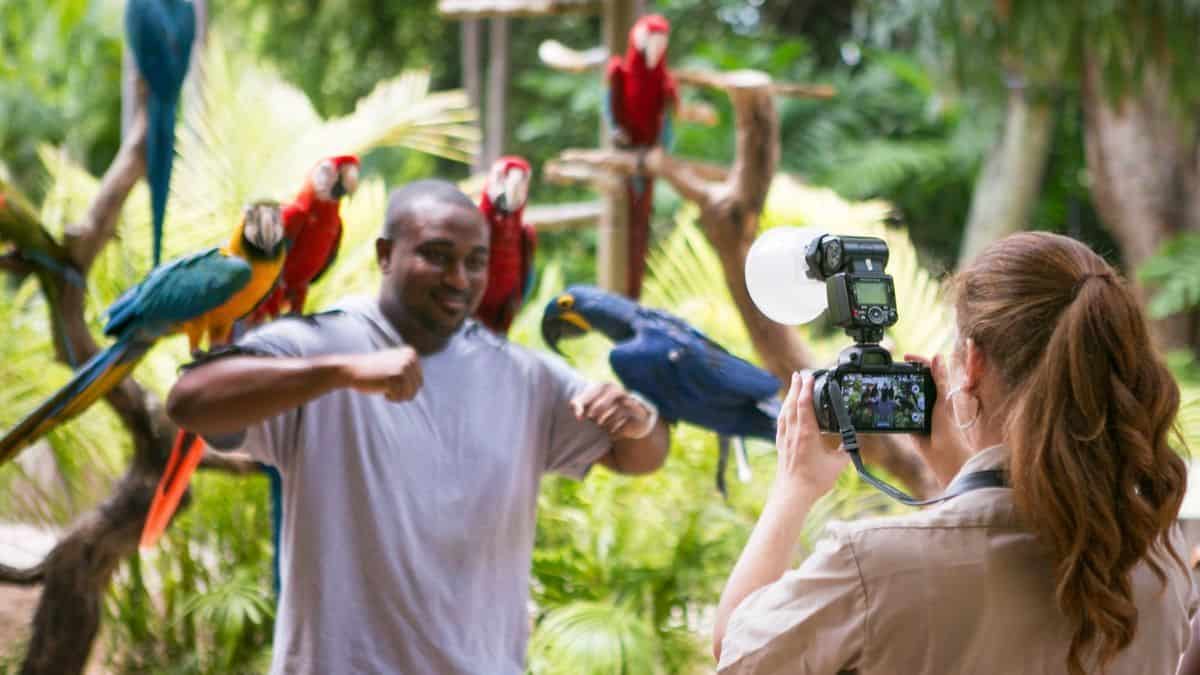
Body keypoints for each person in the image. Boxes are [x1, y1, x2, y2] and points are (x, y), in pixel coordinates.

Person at [165, 179, 671, 674]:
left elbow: (641, 457)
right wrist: (339, 372)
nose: (459, 279)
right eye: (437, 255)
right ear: (385, 255)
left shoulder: (522, 375)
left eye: (475, 262)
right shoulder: (318, 341)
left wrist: (638, 422)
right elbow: (190, 401)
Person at [712, 232, 1196, 674]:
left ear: (972, 366)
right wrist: (960, 473)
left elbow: (737, 652)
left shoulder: (872, 565)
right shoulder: (1159, 567)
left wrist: (795, 486)